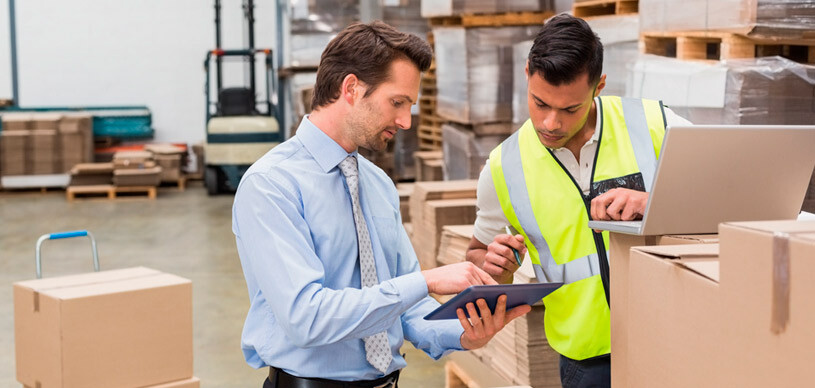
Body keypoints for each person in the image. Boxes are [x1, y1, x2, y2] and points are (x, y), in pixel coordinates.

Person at [233, 21, 531, 388]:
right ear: (351, 88)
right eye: (397, 102)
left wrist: (465, 334)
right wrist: (427, 280)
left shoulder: (377, 184)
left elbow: (406, 307)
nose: (406, 121)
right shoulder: (272, 185)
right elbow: (306, 318)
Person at [465, 14, 692, 388]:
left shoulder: (653, 124)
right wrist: (496, 267)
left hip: (672, 343)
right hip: (586, 364)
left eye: (570, 109)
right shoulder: (503, 167)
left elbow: (724, 196)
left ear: (599, 85)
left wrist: (654, 199)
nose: (551, 123)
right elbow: (477, 252)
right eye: (540, 103)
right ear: (527, 74)